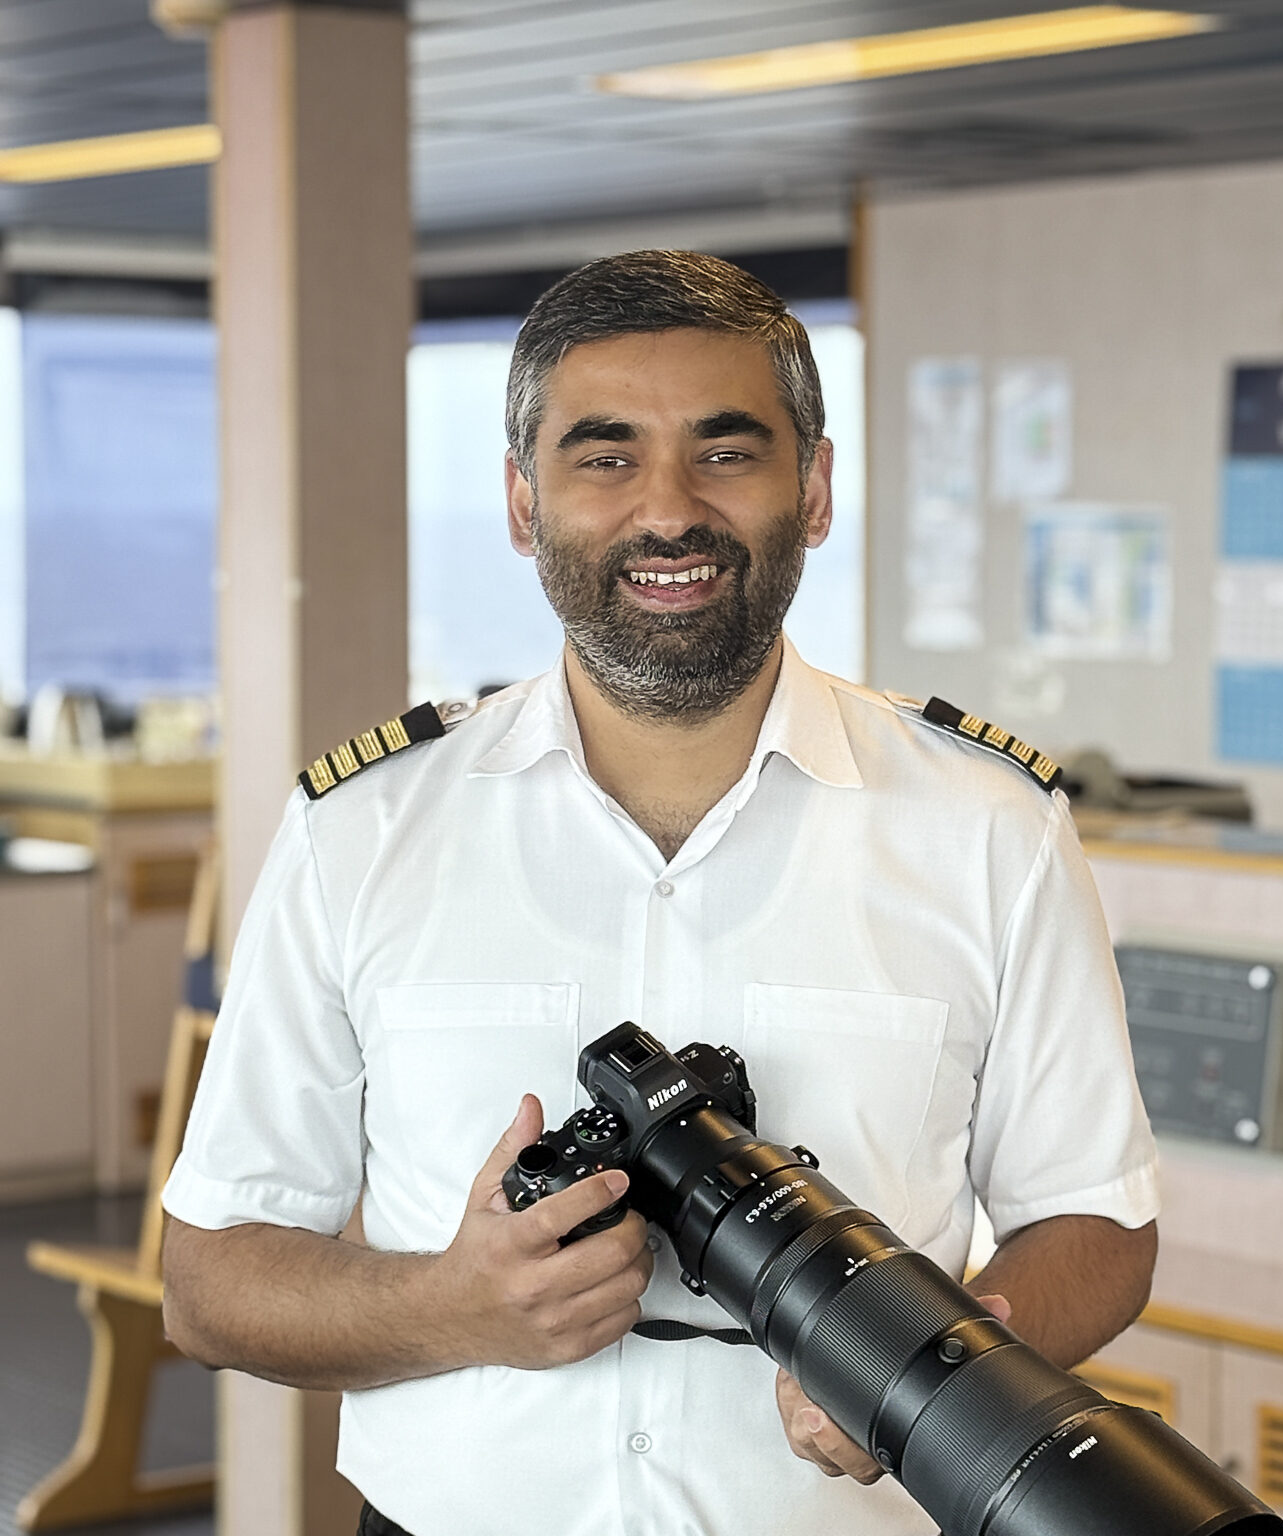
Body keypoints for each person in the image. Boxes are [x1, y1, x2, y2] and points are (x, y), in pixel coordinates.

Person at [160, 249, 1159, 1536]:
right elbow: (208, 1280)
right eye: (605, 456)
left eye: (728, 452)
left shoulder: (989, 826)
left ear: (816, 489)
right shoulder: (366, 826)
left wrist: (930, 1371)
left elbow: (1098, 1222)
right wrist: (450, 1306)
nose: (669, 509)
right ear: (524, 503)